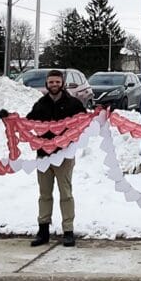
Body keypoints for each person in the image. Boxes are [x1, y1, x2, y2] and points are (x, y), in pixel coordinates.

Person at [15, 69, 86, 248]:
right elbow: (28, 123)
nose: (54, 85)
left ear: (62, 83)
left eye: (57, 82)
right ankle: (43, 231)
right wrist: (9, 119)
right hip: (44, 157)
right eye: (51, 82)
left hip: (64, 155)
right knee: (44, 194)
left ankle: (68, 231)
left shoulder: (73, 103)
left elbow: (86, 122)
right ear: (47, 84)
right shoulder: (41, 103)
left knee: (66, 194)